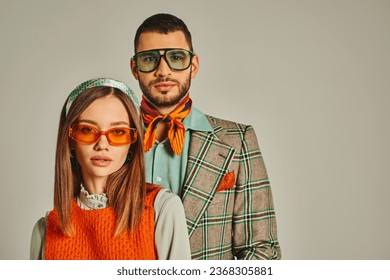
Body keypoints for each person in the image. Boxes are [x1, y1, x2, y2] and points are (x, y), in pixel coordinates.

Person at [130, 13, 281, 260]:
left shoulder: (238, 140)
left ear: (194, 65)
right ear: (135, 68)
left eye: (176, 58)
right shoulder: (107, 140)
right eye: (149, 59)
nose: (163, 71)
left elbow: (262, 249)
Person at [30, 78, 191, 260]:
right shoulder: (45, 230)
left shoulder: (162, 208)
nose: (102, 144)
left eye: (118, 132)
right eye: (87, 130)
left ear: (133, 142)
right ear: (69, 140)